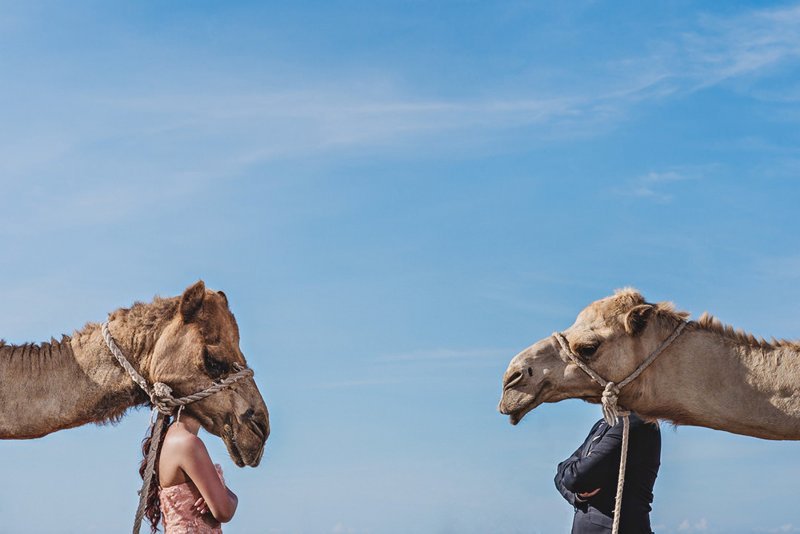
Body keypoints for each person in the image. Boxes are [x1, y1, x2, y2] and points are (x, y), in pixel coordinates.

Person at [554, 412, 661, 533]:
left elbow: (576, 478)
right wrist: (578, 497)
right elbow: (560, 477)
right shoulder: (602, 424)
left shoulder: (636, 422)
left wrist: (570, 472)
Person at [141, 410, 239, 533]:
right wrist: (231, 498)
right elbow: (225, 511)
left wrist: (213, 492)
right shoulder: (188, 443)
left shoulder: (170, 438)